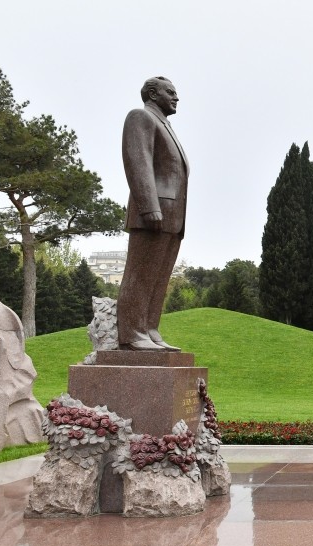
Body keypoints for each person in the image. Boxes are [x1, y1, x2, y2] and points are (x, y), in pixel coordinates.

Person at [116, 76, 189, 351]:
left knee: (159, 277)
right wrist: (149, 206)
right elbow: (138, 162)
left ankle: (150, 329)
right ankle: (132, 333)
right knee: (140, 274)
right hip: (154, 211)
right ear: (151, 93)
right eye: (170, 92)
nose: (176, 98)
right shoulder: (140, 117)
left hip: (174, 215)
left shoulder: (165, 125)